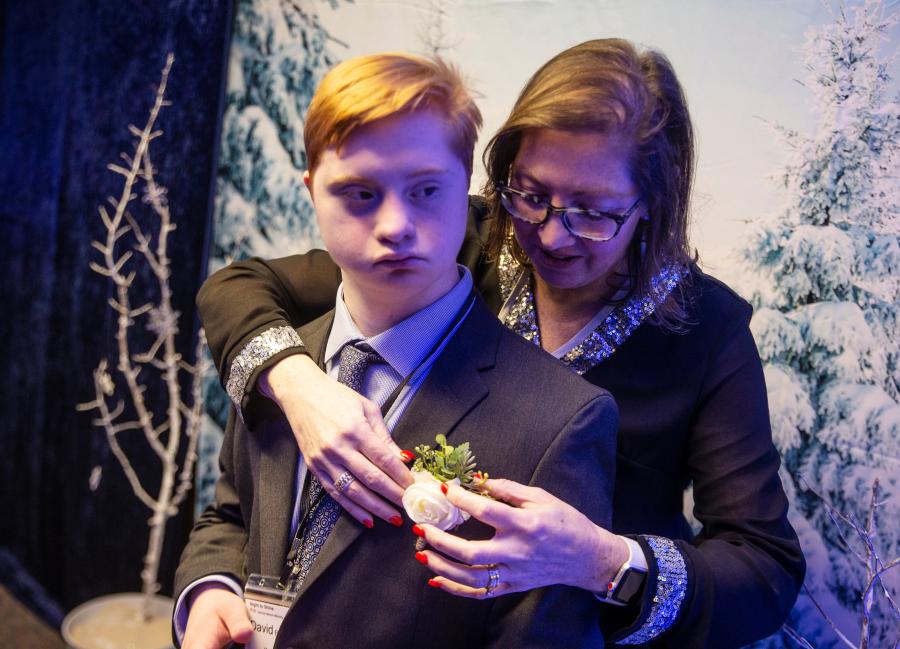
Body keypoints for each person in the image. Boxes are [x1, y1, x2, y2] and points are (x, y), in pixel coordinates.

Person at [198, 39, 805, 647]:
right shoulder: (456, 234)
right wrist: (300, 388)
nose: (552, 235)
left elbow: (764, 568)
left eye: (593, 212)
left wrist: (603, 560)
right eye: (532, 194)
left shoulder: (706, 328)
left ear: (651, 203)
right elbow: (238, 287)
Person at [174, 52, 620, 649]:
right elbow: (231, 516)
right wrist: (208, 590)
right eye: (358, 193)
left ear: (466, 188)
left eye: (426, 190)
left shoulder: (559, 421)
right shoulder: (283, 360)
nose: (394, 225)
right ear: (313, 193)